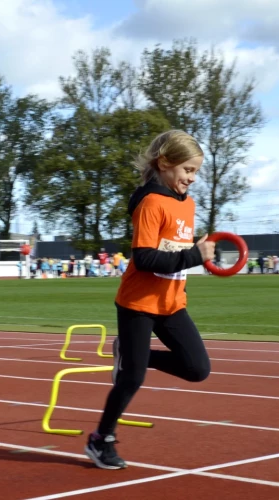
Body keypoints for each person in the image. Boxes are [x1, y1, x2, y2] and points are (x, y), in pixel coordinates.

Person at [85, 130, 214, 470]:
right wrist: (194, 256)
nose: (192, 178)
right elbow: (144, 258)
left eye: (196, 171)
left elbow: (176, 255)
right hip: (138, 303)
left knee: (198, 369)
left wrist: (192, 255)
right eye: (187, 170)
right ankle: (101, 440)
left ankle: (136, 357)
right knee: (132, 379)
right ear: (165, 164)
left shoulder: (188, 205)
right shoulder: (151, 203)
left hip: (172, 304)